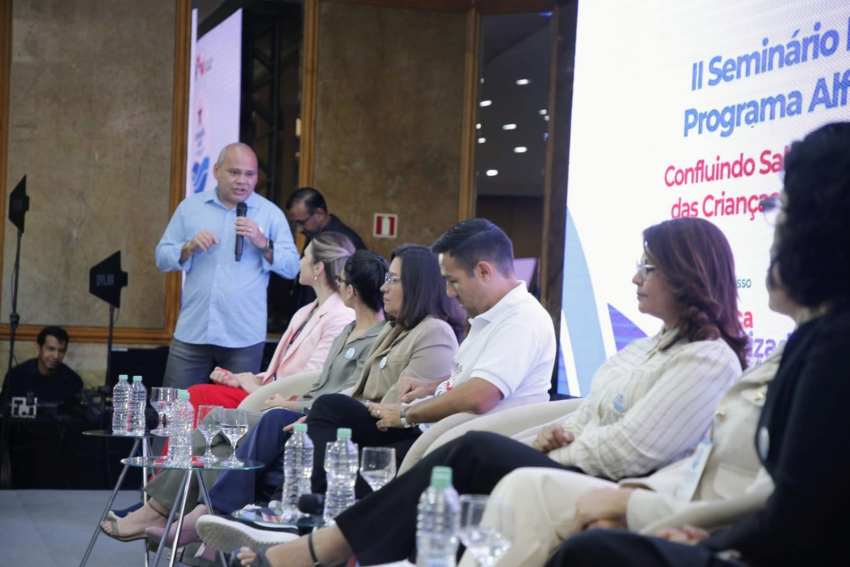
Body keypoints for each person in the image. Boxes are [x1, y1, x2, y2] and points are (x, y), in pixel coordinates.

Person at [215, 216, 749, 567]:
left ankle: (323, 546)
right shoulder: (647, 347)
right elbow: (588, 415)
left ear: (688, 276)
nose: (635, 278)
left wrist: (547, 444)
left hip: (599, 479)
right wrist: (553, 433)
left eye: (648, 268)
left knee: (471, 450)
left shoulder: (706, 359)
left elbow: (630, 450)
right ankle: (314, 535)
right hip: (562, 454)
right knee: (351, 416)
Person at [535, 121, 850, 567]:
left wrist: (691, 535)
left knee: (582, 542)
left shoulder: (825, 345)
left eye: (781, 213)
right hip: (706, 519)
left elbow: (795, 516)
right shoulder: (812, 337)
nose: (635, 278)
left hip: (723, 528)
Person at [102, 244, 460, 544]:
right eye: (385, 279)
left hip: (373, 434)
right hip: (337, 416)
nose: (384, 287)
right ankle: (183, 516)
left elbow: (394, 407)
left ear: (417, 285)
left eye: (394, 280)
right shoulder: (390, 329)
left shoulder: (433, 332)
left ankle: (194, 513)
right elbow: (346, 389)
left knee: (253, 421)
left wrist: (310, 411)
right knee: (224, 428)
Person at [155, 143, 300, 390]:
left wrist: (263, 243)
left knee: (235, 412)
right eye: (234, 172)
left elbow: (292, 268)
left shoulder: (270, 214)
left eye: (249, 174)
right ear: (216, 170)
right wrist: (188, 247)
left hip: (243, 336)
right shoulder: (190, 208)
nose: (242, 181)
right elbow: (161, 257)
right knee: (174, 407)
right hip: (194, 330)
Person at [186, 232, 357, 410]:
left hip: (287, 405)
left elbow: (311, 381)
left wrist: (257, 389)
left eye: (305, 256)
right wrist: (240, 380)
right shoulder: (306, 311)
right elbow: (278, 374)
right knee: (196, 394)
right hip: (271, 394)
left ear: (318, 268)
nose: (300, 262)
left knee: (197, 395)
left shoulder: (341, 315)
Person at [285, 187, 367, 311]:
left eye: (301, 223)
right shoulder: (315, 234)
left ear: (319, 214)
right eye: (295, 224)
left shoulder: (343, 242)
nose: (299, 229)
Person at [1, 326, 82, 412]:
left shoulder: (73, 381)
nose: (56, 356)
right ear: (38, 349)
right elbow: (3, 412)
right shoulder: (16, 376)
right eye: (51, 349)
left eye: (61, 351)